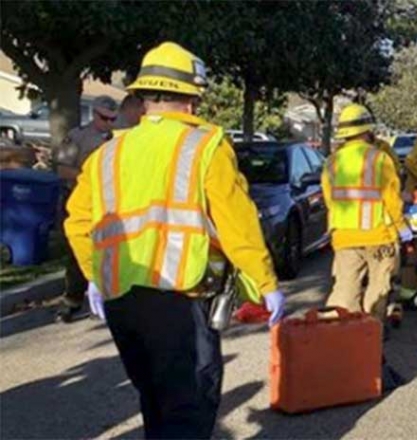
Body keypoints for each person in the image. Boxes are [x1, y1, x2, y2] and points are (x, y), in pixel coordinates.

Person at [64, 41, 285, 438]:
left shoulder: (106, 155)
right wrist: (265, 282)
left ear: (144, 96)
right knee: (188, 406)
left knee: (154, 398)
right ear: (191, 98)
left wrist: (95, 275)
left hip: (122, 299)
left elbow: (78, 223)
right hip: (180, 297)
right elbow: (238, 224)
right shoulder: (205, 146)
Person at [322, 104, 410, 321]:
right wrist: (401, 227)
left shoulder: (332, 162)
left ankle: (338, 334)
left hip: (344, 236)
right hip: (377, 235)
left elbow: (329, 198)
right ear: (367, 129)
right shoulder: (379, 159)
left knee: (345, 289)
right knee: (378, 290)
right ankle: (371, 335)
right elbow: (392, 199)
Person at [54, 95, 119, 323]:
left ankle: (108, 297)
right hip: (82, 199)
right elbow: (63, 169)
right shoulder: (78, 137)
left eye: (113, 119)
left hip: (111, 205)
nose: (109, 123)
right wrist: (91, 178)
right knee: (78, 251)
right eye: (104, 118)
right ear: (94, 114)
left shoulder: (119, 139)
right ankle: (71, 301)